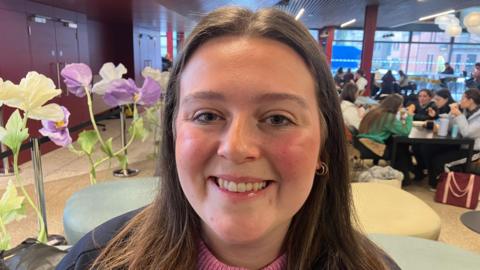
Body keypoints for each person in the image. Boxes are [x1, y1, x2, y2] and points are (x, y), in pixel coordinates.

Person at [57, 7, 399, 270]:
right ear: (174, 131)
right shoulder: (95, 261)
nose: (235, 148)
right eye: (207, 115)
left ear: (324, 144)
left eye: (278, 118)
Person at [427, 89, 480, 190]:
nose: (460, 101)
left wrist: (459, 115)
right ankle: (434, 183)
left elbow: (467, 133)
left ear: (471, 100)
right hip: (461, 146)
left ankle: (444, 188)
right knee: (431, 151)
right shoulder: (466, 112)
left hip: (473, 151)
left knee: (440, 161)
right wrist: (452, 114)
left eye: (463, 98)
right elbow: (451, 127)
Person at [358, 94, 415, 184]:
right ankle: (405, 178)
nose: (401, 108)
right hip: (374, 146)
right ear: (396, 106)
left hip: (362, 143)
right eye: (401, 106)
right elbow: (405, 131)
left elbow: (395, 128)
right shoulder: (388, 117)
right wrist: (410, 116)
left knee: (399, 145)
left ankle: (408, 173)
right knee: (399, 148)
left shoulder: (375, 111)